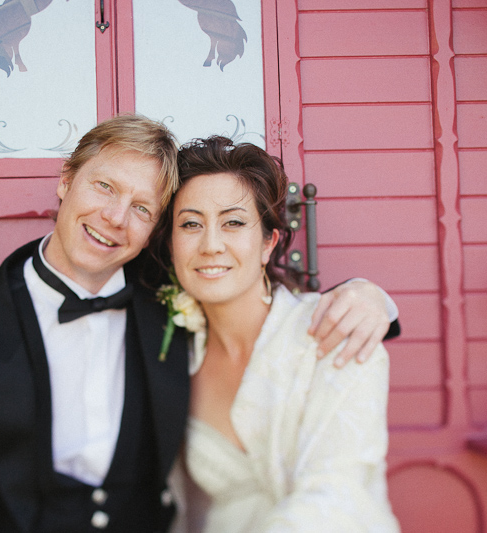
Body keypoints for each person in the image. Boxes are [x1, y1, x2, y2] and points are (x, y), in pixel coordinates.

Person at [0, 115, 397, 532]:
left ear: (154, 231)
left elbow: (266, 316)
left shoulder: (168, 305)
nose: (115, 217)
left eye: (142, 208)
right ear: (65, 181)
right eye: (104, 187)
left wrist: (372, 297)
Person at [151, 136, 399, 532]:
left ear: (269, 242)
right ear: (171, 244)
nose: (211, 245)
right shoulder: (169, 354)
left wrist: (374, 296)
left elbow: (337, 495)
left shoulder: (340, 330)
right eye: (191, 224)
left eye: (233, 222)